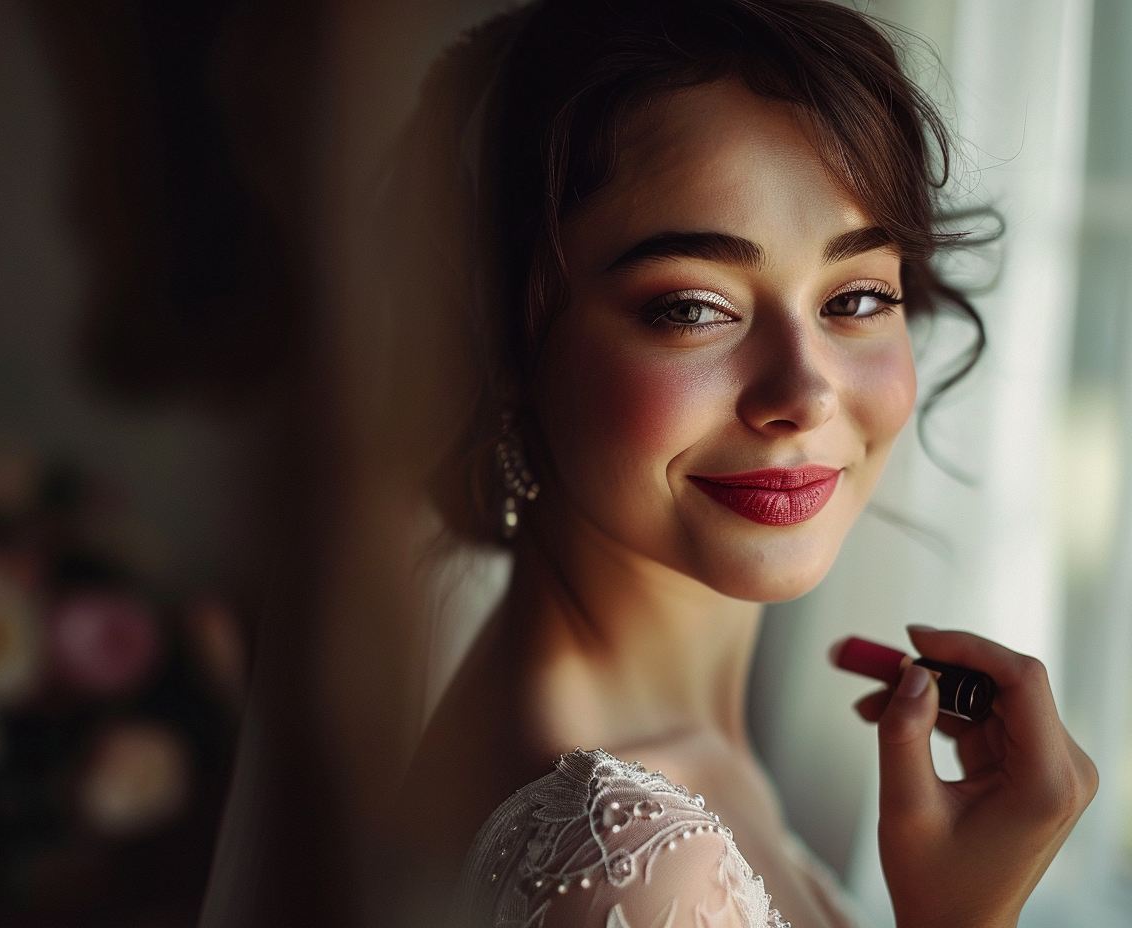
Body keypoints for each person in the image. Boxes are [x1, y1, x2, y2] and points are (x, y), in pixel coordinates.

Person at [386, 1, 1098, 926]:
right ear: (504, 353)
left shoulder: (646, 762)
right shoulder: (630, 865)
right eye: (692, 308)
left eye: (856, 296)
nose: (804, 395)